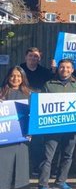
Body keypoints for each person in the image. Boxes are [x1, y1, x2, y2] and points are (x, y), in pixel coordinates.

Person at [37, 60, 76, 189]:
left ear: (72, 70)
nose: (65, 69)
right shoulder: (49, 84)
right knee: (47, 157)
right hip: (52, 127)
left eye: (68, 67)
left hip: (71, 127)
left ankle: (60, 181)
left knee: (67, 155)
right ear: (58, 69)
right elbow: (42, 105)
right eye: (62, 67)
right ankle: (42, 186)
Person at [0, 66, 31, 189]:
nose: (15, 79)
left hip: (19, 136)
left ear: (23, 78)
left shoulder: (29, 94)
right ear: (8, 77)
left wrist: (31, 132)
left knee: (15, 164)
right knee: (3, 164)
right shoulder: (1, 92)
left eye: (18, 76)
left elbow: (34, 117)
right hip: (3, 137)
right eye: (12, 76)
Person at [18, 47, 52, 175]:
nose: (33, 58)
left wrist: (54, 70)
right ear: (26, 57)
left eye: (36, 56)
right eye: (31, 56)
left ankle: (37, 167)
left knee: (37, 139)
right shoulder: (19, 70)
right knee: (21, 138)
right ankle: (21, 167)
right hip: (21, 106)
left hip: (38, 108)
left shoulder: (45, 72)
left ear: (39, 58)